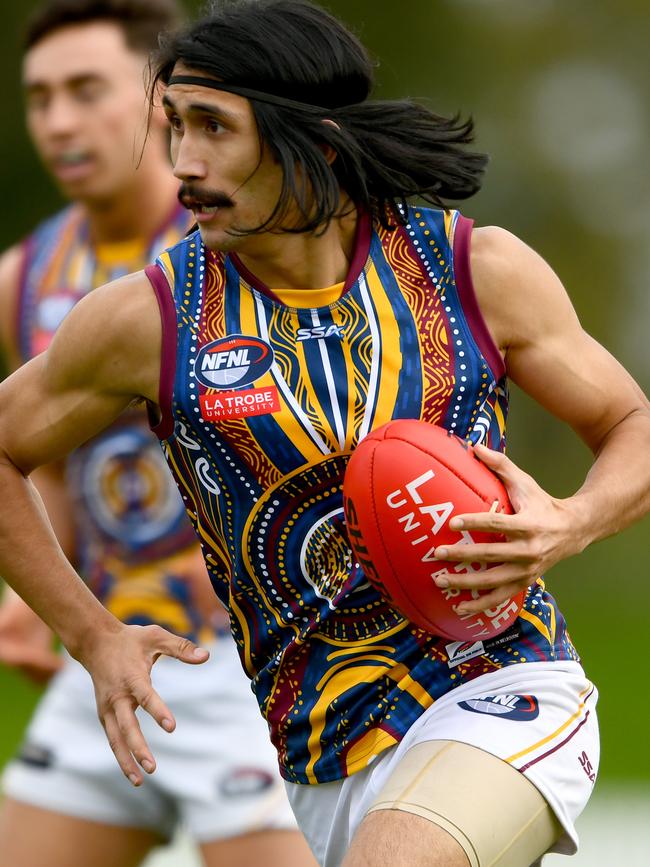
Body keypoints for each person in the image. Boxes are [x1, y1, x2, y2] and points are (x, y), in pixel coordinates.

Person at [0, 0, 649, 864]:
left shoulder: (473, 269)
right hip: (319, 752)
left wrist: (571, 520)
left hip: (507, 686)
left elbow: (631, 421)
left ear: (318, 141)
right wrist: (91, 632)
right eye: (176, 127)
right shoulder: (147, 320)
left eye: (215, 129)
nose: (184, 165)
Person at [0, 2, 315, 866]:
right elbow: (48, 470)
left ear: (157, 100)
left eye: (85, 90)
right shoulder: (26, 277)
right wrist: (38, 601)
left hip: (247, 670)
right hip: (109, 660)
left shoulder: (243, 245)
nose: (59, 120)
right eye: (39, 97)